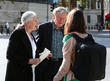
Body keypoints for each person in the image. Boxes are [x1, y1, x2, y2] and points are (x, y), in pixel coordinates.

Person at [53, 8, 101, 81]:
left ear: (70, 21)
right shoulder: (89, 37)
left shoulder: (69, 38)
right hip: (88, 77)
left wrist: (56, 78)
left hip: (74, 77)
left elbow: (66, 64)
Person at [5, 11, 41, 81]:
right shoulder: (17, 34)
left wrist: (41, 55)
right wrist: (28, 61)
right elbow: (10, 55)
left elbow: (30, 51)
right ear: (28, 22)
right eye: (35, 21)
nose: (37, 23)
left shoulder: (31, 34)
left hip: (27, 73)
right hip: (17, 74)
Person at [35, 7, 68, 81]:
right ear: (53, 16)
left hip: (62, 64)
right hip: (47, 64)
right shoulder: (43, 28)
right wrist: (40, 53)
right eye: (59, 18)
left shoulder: (67, 29)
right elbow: (36, 46)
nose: (61, 21)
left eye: (64, 18)